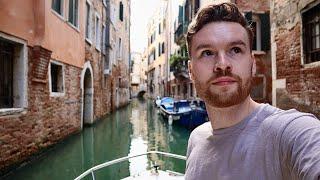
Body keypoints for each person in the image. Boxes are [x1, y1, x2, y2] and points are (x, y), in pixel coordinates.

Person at [185, 2, 320, 180]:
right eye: (207, 53)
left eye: (235, 50)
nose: (222, 64)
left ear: (253, 63)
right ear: (191, 70)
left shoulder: (290, 133)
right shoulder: (196, 139)